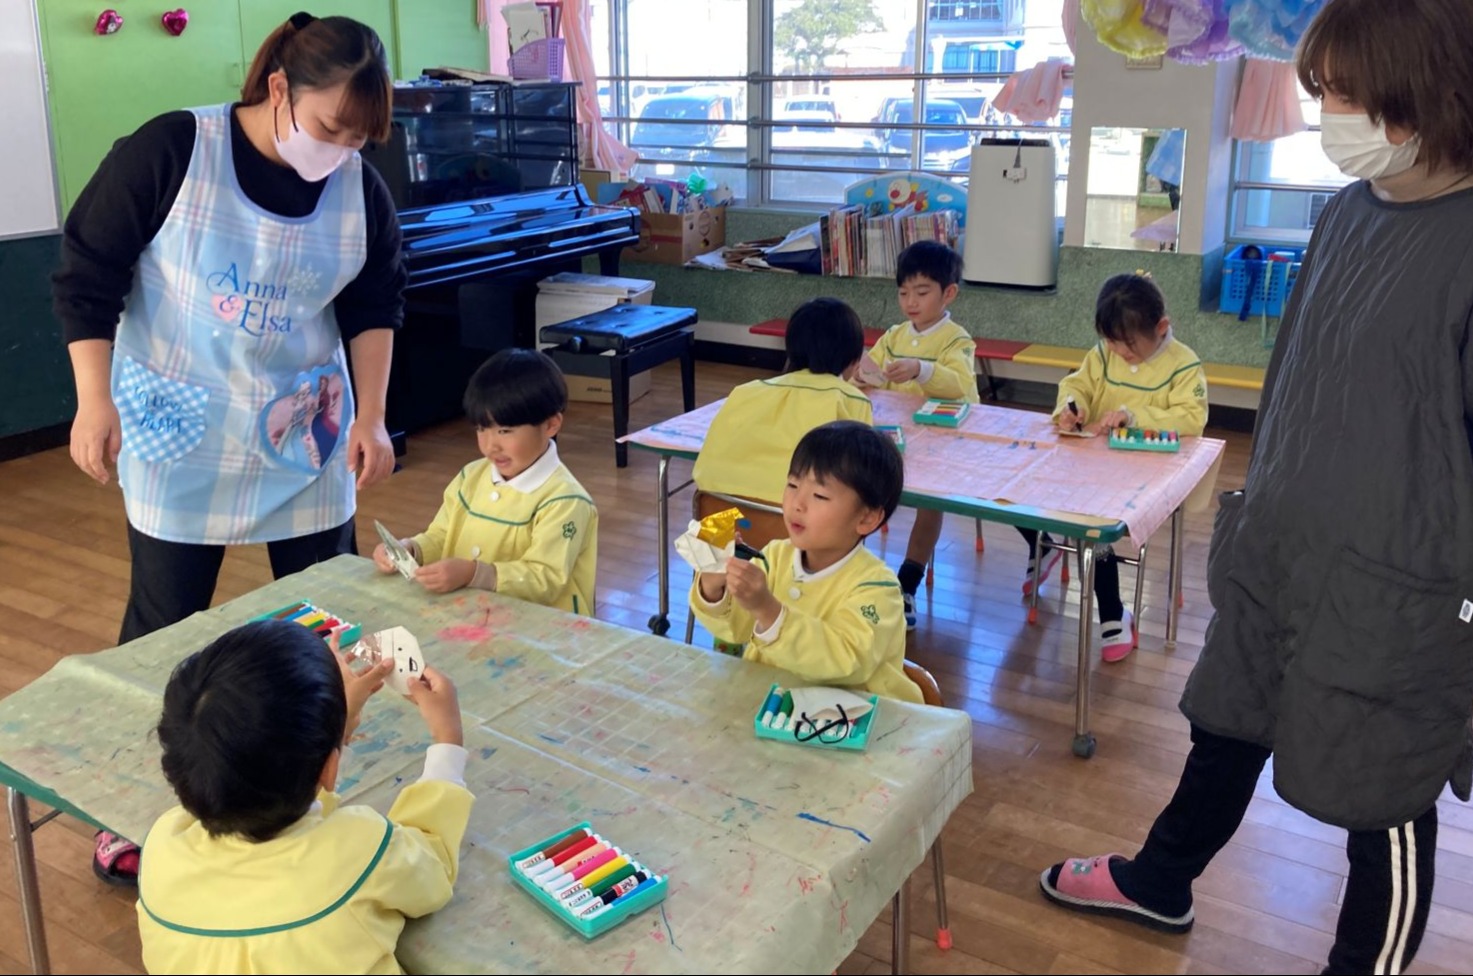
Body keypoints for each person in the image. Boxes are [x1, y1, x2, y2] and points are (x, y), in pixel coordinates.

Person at [1039, 2, 1473, 972]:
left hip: (1401, 586)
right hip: (1285, 543)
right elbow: (1303, 388)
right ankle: (1160, 881)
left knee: (1382, 789)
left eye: (1347, 94)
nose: (1329, 115)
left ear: (1426, 92)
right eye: (1323, 92)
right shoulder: (1349, 213)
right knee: (1228, 721)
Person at [52, 13, 405, 885]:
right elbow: (87, 275)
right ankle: (139, 805)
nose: (342, 151)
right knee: (165, 626)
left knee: (323, 618)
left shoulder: (358, 186)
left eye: (359, 139)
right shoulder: (173, 149)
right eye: (330, 128)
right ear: (279, 88)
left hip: (303, 429)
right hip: (182, 427)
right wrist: (93, 401)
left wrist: (372, 417)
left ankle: (306, 787)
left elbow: (373, 305)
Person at [136, 619, 472, 974]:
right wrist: (447, 739)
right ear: (330, 768)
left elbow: (261, 782)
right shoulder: (360, 848)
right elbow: (432, 870)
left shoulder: (162, 843)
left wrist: (328, 734)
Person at [1024, 272, 1207, 661]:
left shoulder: (1183, 364)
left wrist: (1133, 415)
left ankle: (1111, 610)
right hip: (1096, 467)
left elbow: (1192, 418)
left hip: (1148, 476)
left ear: (1161, 327)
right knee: (1020, 487)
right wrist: (1073, 408)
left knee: (1093, 526)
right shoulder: (1103, 354)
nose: (1119, 352)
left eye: (1129, 345)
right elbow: (1078, 385)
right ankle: (1044, 542)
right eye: (1111, 341)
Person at [690, 421, 922, 704]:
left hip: (852, 719)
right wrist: (713, 587)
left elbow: (846, 660)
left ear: (867, 518)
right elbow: (736, 629)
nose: (797, 503)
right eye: (792, 484)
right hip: (772, 707)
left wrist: (768, 610)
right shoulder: (774, 556)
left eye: (820, 495)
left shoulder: (878, 588)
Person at [373, 349, 598, 615]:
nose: (491, 445)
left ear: (551, 425)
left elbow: (545, 577)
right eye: (481, 429)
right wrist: (411, 550)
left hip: (542, 627)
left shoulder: (565, 500)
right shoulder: (470, 476)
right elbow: (442, 534)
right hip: (476, 617)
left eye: (505, 430)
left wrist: (474, 573)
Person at [853, 241, 978, 630]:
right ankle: (851, 575)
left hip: (943, 442)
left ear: (948, 293)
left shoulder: (956, 339)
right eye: (903, 292)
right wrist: (861, 375)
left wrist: (921, 369)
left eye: (922, 292)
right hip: (896, 437)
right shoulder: (894, 335)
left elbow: (959, 385)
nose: (911, 302)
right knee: (855, 486)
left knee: (930, 502)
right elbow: (872, 373)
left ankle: (907, 583)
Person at [692, 297, 872, 504]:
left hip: (717, 515)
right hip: (794, 520)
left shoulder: (745, 391)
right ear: (853, 360)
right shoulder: (853, 400)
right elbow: (863, 474)